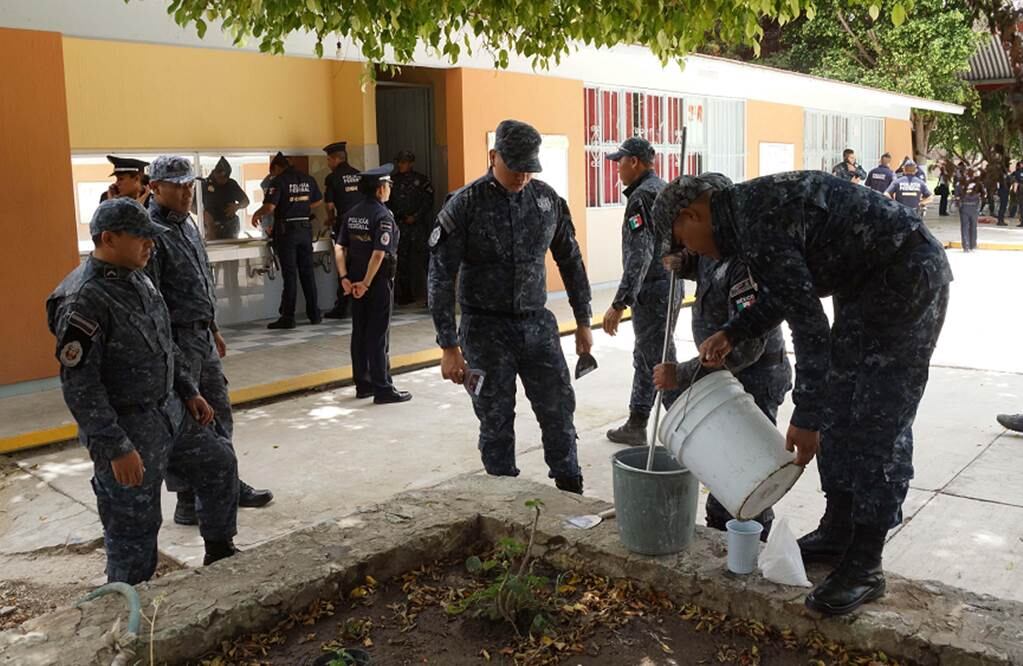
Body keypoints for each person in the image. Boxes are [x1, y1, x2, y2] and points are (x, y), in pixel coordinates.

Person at [652, 170, 951, 616]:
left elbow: (810, 327)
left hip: (906, 277)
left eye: (682, 239)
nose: (688, 251)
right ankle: (839, 529)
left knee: (876, 418)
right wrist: (734, 331)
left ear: (693, 213)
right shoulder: (744, 220)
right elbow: (786, 293)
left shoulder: (758, 221)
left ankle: (866, 563)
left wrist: (806, 415)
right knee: (841, 406)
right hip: (865, 285)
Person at [47, 198, 240, 584]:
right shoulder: (84, 298)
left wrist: (189, 391)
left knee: (219, 464)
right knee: (134, 523)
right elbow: (80, 385)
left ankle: (220, 554)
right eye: (141, 237)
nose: (150, 244)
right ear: (109, 238)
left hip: (170, 411)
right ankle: (128, 602)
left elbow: (164, 342)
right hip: (128, 427)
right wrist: (115, 447)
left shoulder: (139, 276)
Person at [428, 119, 592, 494]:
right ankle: (504, 499)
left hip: (537, 326)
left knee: (559, 411)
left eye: (529, 168)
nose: (522, 175)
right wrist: (448, 347)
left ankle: (570, 490)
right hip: (485, 332)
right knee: (495, 419)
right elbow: (439, 276)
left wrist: (583, 321)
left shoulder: (547, 201)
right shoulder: (464, 205)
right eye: (514, 166)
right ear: (493, 157)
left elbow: (571, 261)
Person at [145, 155, 274, 526]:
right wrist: (169, 350)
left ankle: (225, 483)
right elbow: (152, 302)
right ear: (155, 188)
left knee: (219, 413)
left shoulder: (186, 225)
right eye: (178, 186)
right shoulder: (150, 232)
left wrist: (213, 328)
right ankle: (188, 499)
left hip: (201, 334)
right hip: (175, 342)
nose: (187, 193)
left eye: (190, 186)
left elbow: (200, 282)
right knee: (185, 420)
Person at [653, 241, 792, 540]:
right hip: (723, 379)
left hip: (755, 380)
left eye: (682, 231)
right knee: (723, 471)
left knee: (749, 475)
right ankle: (720, 535)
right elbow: (711, 278)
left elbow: (747, 345)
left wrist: (682, 373)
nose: (682, 240)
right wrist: (686, 264)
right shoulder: (706, 249)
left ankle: (754, 547)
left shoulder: (744, 262)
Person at [601, 137, 682, 446]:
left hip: (653, 290)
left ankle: (686, 430)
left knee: (661, 361)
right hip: (668, 285)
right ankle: (637, 421)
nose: (617, 169)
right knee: (648, 355)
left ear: (634, 161)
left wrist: (620, 302)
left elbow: (640, 254)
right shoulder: (661, 188)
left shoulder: (642, 197)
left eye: (619, 162)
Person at [335, 165, 411, 404]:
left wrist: (345, 278)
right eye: (388, 185)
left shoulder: (352, 213)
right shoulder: (382, 215)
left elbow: (339, 248)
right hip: (375, 283)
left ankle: (363, 384)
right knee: (378, 335)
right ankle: (383, 388)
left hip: (354, 282)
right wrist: (366, 283)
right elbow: (378, 254)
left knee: (360, 333)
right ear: (380, 189)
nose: (389, 189)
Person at [250, 152, 325, 329]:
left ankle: (288, 317)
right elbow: (318, 200)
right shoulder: (307, 178)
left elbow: (270, 206)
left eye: (273, 171)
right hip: (305, 229)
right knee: (307, 273)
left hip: (287, 232)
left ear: (277, 167)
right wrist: (301, 206)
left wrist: (257, 214)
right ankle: (314, 314)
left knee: (290, 275)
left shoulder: (279, 181)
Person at [388, 150, 435, 305]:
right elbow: (388, 203)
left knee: (425, 260)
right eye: (399, 162)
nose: (401, 165)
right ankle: (405, 295)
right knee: (401, 261)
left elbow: (428, 201)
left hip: (418, 226)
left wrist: (416, 216)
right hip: (400, 225)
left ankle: (431, 295)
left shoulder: (421, 180)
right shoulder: (393, 181)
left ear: (410, 163)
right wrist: (400, 217)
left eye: (404, 162)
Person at [322, 141, 362, 320]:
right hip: (362, 224)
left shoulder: (333, 177)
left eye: (329, 159)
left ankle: (342, 306)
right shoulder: (359, 174)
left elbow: (330, 205)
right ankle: (359, 303)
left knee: (343, 265)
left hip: (344, 225)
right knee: (361, 263)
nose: (328, 163)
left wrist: (330, 219)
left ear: (336, 158)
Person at [202, 156, 250, 240]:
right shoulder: (204, 184)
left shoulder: (231, 184)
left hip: (230, 226)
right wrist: (203, 214)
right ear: (215, 173)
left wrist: (237, 206)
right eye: (220, 177)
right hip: (210, 227)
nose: (223, 180)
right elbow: (192, 205)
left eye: (226, 178)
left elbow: (246, 201)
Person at [955, 168, 984, 252]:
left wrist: (958, 204)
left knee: (965, 226)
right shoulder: (978, 183)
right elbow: (983, 194)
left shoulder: (960, 183)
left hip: (965, 206)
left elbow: (957, 195)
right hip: (973, 206)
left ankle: (966, 246)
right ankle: (972, 245)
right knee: (973, 226)